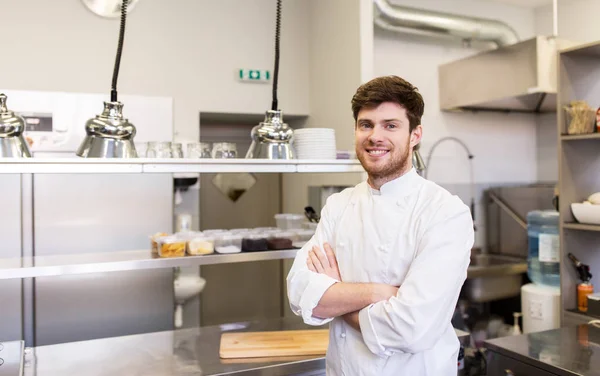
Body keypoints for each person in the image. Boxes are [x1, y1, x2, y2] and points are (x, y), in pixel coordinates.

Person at [286, 75, 474, 376]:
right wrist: (379, 293)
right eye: (366, 124)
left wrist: (338, 295)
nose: (375, 136)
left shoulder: (445, 212)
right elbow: (299, 292)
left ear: (415, 135)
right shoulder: (338, 205)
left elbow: (410, 327)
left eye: (390, 125)